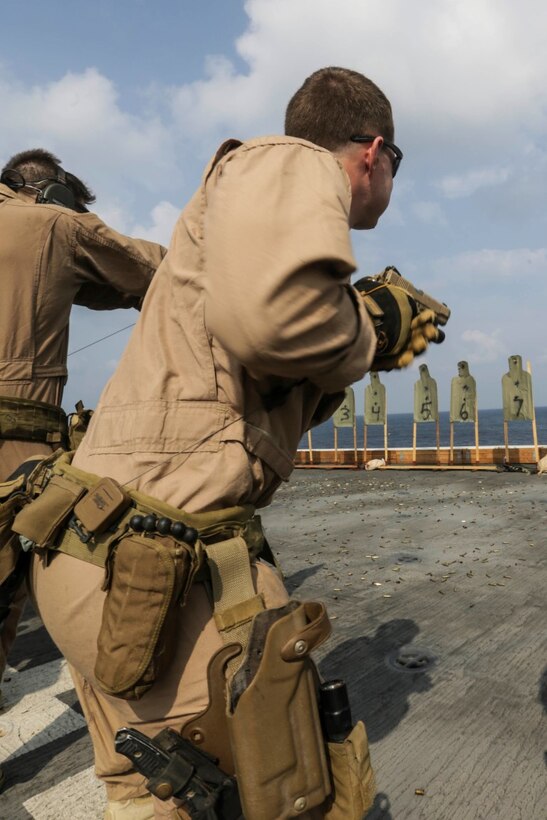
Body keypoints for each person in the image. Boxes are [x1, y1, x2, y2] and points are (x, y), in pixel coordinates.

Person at [27, 68, 444, 819]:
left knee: (147, 799)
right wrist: (371, 325)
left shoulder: (236, 232)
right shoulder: (288, 159)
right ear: (373, 153)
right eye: (394, 166)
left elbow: (240, 406)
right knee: (285, 795)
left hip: (101, 565)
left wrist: (353, 343)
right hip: (161, 581)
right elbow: (278, 322)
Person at [0, 148, 166, 704]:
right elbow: (153, 269)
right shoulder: (50, 223)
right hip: (14, 439)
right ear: (52, 194)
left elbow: (95, 288)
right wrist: (75, 217)